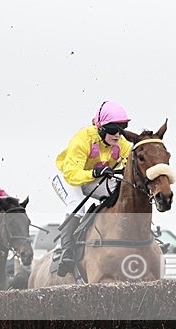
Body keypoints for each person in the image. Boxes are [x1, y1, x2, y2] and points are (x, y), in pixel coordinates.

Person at [50, 101, 133, 276]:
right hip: (67, 176)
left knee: (123, 191)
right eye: (113, 130)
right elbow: (72, 175)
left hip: (94, 178)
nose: (118, 135)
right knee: (77, 205)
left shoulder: (122, 143)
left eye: (122, 129)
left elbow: (130, 163)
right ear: (101, 127)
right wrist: (96, 172)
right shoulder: (83, 138)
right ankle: (66, 250)